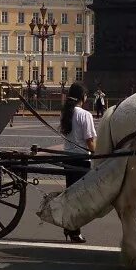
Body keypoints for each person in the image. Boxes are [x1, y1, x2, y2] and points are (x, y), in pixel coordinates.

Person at [59, 82, 97, 244]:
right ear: (83, 97)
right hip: (82, 159)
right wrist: (99, 152)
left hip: (68, 157)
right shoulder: (85, 115)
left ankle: (71, 227)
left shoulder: (66, 113)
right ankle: (74, 229)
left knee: (72, 193)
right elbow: (90, 141)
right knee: (81, 196)